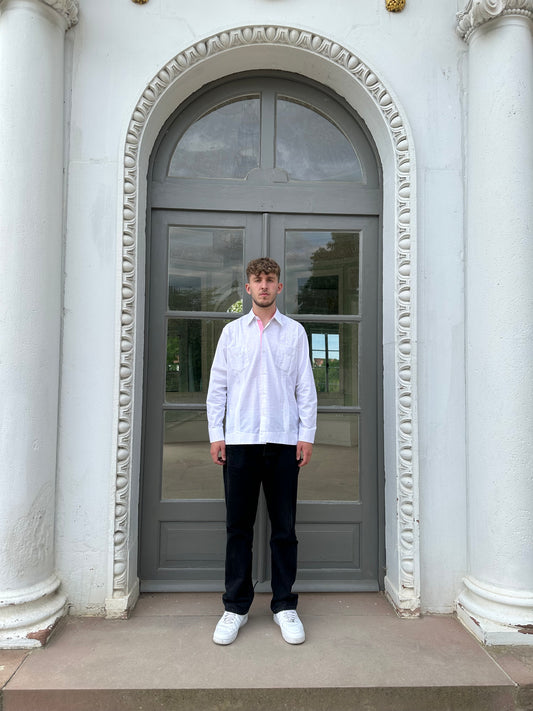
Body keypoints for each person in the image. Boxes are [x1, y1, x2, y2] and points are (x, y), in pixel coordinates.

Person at [206, 257, 317, 645]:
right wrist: (215, 435)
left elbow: (305, 386)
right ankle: (234, 607)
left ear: (279, 287)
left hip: (284, 441)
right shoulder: (232, 334)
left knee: (284, 530)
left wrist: (307, 435)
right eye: (258, 280)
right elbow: (217, 386)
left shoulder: (295, 333)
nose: (265, 285)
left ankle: (285, 606)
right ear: (248, 288)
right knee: (239, 528)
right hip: (239, 442)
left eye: (270, 280)